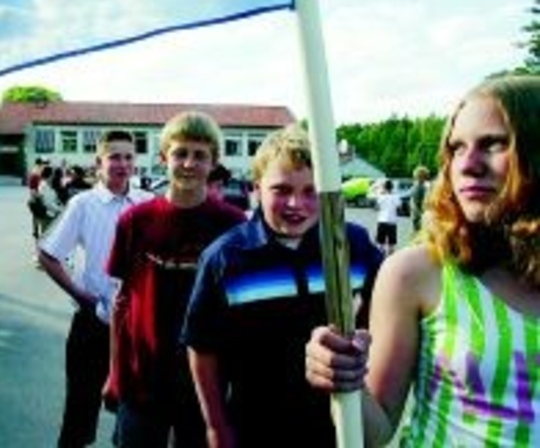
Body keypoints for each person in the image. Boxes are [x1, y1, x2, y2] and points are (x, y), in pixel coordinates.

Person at [304, 75, 540, 447]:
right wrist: (343, 380)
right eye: (456, 148)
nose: (468, 165)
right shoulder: (416, 272)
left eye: (493, 143)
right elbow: (373, 432)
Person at [181, 124, 383, 447]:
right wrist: (216, 428)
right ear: (256, 187)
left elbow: (384, 314)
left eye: (310, 191)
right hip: (256, 426)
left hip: (338, 426)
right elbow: (202, 348)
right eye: (281, 190)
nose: (296, 204)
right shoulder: (225, 258)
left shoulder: (352, 245)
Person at [103, 111, 247, 448]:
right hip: (142, 377)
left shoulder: (233, 225)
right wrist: (113, 371)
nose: (188, 163)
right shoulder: (135, 221)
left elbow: (242, 311)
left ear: (214, 163)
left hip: (206, 382)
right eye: (180, 153)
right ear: (163, 157)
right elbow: (121, 304)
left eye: (200, 155)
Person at [38, 130, 155, 448]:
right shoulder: (83, 204)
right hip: (94, 323)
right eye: (115, 156)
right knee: (80, 409)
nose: (123, 163)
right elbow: (48, 255)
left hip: (136, 326)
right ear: (99, 162)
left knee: (136, 412)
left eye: (129, 157)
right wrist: (82, 297)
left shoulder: (149, 204)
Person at [374, 178, 401, 256]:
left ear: (384, 187)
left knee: (380, 242)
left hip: (381, 220)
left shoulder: (381, 197)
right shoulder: (396, 197)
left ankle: (380, 257)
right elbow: (399, 207)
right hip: (392, 221)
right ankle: (390, 258)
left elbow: (376, 207)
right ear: (392, 187)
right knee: (392, 243)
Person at [410, 164, 430, 232]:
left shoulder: (417, 186)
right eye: (425, 176)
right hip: (419, 216)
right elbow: (417, 203)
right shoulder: (419, 187)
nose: (427, 177)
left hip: (417, 215)